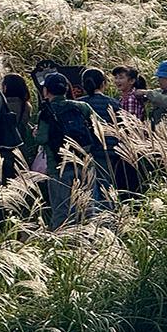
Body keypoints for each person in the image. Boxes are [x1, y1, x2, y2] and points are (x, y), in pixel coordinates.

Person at [33, 72, 98, 229]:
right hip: (84, 164)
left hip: (58, 167)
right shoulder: (82, 107)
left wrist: (36, 133)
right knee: (87, 208)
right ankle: (89, 239)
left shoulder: (46, 112)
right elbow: (98, 127)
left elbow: (41, 139)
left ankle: (62, 244)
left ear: (46, 91)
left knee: (61, 210)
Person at [78, 67, 121, 208]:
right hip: (110, 150)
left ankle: (94, 218)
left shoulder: (79, 104)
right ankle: (109, 217)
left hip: (87, 151)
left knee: (89, 187)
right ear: (104, 84)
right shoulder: (113, 103)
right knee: (107, 186)